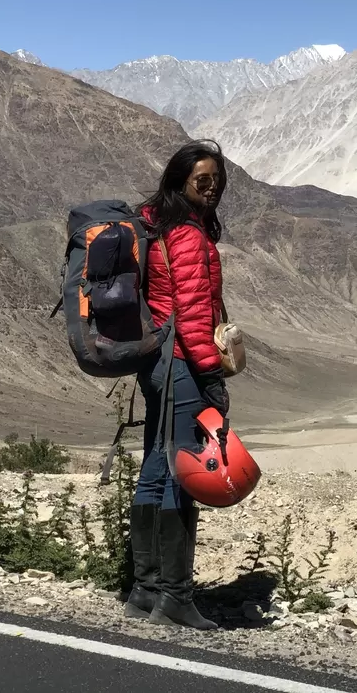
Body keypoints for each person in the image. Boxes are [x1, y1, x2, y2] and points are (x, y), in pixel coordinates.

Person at [125, 139, 231, 630]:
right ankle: (176, 597)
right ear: (180, 181)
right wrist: (212, 377)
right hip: (182, 363)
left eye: (216, 180)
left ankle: (144, 592)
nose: (210, 188)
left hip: (157, 363)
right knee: (182, 474)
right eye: (201, 180)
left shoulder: (155, 223)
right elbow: (191, 315)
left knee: (154, 467)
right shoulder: (186, 235)